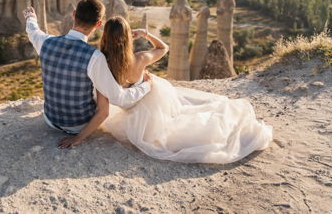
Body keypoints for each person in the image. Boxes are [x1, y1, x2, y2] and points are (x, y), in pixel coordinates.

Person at [100, 16, 273, 164]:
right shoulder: (140, 58)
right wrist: (145, 33)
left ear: (105, 37)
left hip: (131, 109)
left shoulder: (102, 63)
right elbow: (163, 48)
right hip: (151, 104)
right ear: (128, 37)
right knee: (181, 116)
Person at [23, 0, 151, 148]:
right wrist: (145, 86)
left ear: (74, 14)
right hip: (78, 126)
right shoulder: (95, 57)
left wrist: (30, 17)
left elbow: (33, 31)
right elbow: (118, 98)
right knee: (107, 89)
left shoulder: (46, 42)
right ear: (98, 24)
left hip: (50, 120)